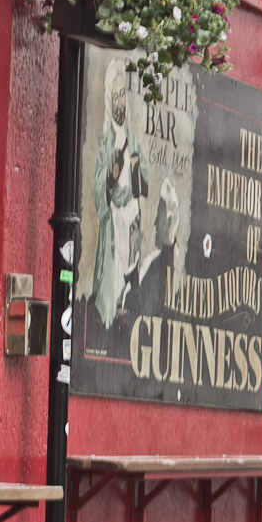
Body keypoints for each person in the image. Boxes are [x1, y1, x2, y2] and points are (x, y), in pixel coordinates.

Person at [91, 60, 149, 331]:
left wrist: (137, 172)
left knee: (131, 281)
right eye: (116, 96)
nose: (121, 102)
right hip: (114, 226)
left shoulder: (133, 139)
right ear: (108, 100)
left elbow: (142, 186)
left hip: (132, 222)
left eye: (123, 94)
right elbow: (98, 193)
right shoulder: (105, 142)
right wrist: (112, 178)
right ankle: (109, 321)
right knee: (114, 282)